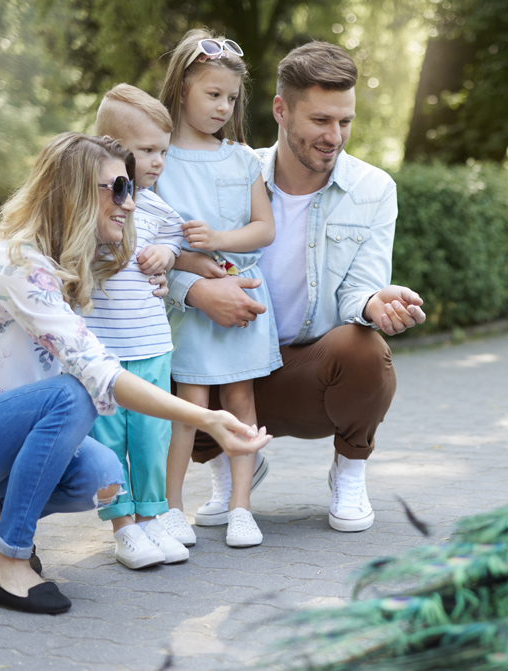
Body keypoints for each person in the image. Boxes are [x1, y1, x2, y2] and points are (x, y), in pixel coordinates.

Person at [0, 132, 271, 615]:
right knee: (74, 395)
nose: (130, 201)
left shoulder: (60, 265)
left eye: (130, 187)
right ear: (74, 194)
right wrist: (208, 420)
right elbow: (99, 372)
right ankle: (8, 559)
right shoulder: (21, 265)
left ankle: (2, 506)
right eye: (117, 188)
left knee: (102, 477)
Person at [164, 41, 426, 533]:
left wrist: (374, 303)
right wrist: (196, 292)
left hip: (305, 373)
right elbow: (159, 251)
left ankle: (349, 470)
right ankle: (228, 469)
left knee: (364, 349)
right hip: (223, 360)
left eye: (345, 122)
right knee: (160, 357)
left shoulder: (373, 189)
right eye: (321, 121)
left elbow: (358, 292)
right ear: (281, 110)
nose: (335, 136)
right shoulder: (230, 168)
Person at [156, 29, 280, 548]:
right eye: (212, 94)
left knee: (240, 399)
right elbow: (147, 237)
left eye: (230, 98)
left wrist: (219, 239)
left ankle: (241, 508)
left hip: (244, 294)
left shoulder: (242, 159)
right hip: (190, 308)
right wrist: (191, 258)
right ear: (182, 88)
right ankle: (170, 509)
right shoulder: (158, 159)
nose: (223, 107)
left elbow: (263, 228)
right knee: (188, 407)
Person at [87, 84, 209, 568]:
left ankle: (153, 518)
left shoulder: (158, 209)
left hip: (153, 346)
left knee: (151, 438)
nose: (159, 161)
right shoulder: (91, 210)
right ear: (112, 151)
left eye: (164, 150)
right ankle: (123, 529)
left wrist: (173, 255)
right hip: (104, 354)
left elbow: (190, 249)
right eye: (146, 151)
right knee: (109, 442)